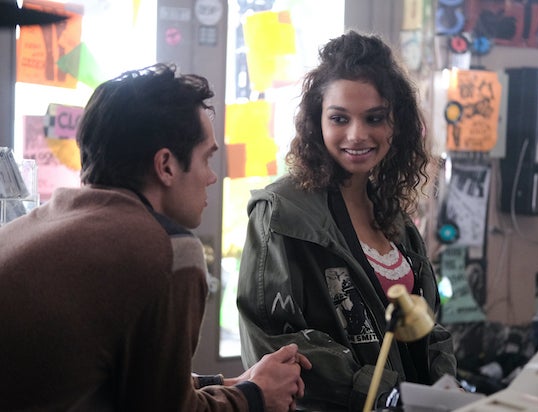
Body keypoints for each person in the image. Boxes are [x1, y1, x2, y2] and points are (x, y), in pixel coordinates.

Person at [0, 63, 311, 412]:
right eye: (206, 159)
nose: (211, 177)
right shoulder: (168, 250)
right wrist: (256, 397)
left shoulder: (33, 226)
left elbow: (128, 385)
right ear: (166, 166)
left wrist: (232, 384)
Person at [237, 31, 456, 411]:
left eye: (374, 118)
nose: (357, 135)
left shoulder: (395, 218)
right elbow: (272, 343)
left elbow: (427, 324)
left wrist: (445, 388)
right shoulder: (281, 212)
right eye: (339, 118)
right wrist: (383, 393)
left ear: (397, 124)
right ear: (316, 121)